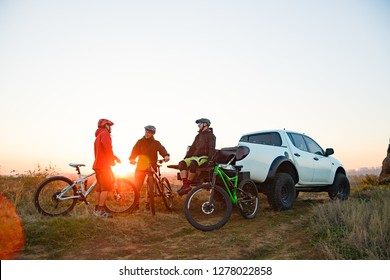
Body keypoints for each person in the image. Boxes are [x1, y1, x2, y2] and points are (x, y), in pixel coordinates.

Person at [129, 125, 170, 211]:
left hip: (152, 166)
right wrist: (132, 158)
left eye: (149, 132)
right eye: (146, 132)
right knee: (137, 186)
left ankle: (148, 204)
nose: (147, 134)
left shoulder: (156, 143)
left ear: (153, 134)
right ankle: (135, 204)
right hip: (140, 166)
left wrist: (166, 155)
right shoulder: (140, 142)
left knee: (150, 185)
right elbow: (134, 151)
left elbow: (162, 149)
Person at [177, 118, 216, 196]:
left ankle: (187, 185)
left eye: (199, 124)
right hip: (195, 156)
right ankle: (185, 185)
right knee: (181, 163)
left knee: (193, 163)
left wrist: (210, 160)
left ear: (205, 124)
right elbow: (193, 148)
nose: (198, 126)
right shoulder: (198, 136)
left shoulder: (211, 136)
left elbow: (212, 148)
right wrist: (186, 157)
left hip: (204, 156)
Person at [93, 119, 121, 218]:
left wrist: (114, 157)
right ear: (105, 126)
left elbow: (102, 150)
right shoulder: (105, 134)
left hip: (97, 165)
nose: (111, 128)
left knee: (99, 188)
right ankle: (100, 211)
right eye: (109, 126)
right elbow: (107, 149)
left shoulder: (98, 136)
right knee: (105, 188)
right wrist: (111, 160)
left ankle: (96, 210)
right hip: (104, 165)